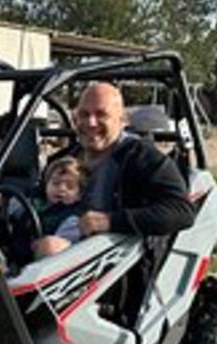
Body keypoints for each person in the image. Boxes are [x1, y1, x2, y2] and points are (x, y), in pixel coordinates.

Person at [71, 81, 195, 239]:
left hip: (109, 251)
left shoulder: (141, 157)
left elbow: (181, 211)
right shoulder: (67, 158)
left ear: (122, 120)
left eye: (101, 114)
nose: (91, 123)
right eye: (84, 114)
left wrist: (110, 221)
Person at [31, 156, 86, 258]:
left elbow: (59, 248)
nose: (61, 189)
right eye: (56, 183)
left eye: (69, 186)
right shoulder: (34, 203)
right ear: (46, 186)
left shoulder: (72, 220)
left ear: (79, 195)